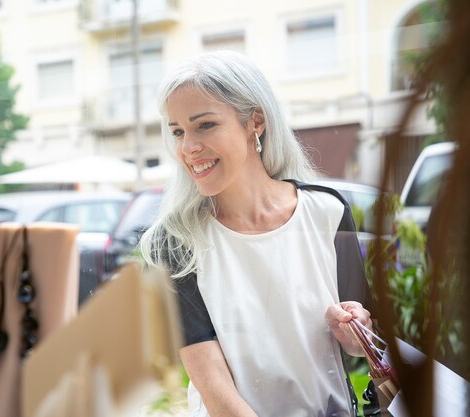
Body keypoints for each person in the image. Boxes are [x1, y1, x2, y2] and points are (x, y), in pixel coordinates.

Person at [140, 51, 374, 416]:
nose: (188, 148)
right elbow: (216, 393)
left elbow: (364, 341)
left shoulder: (327, 212)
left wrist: (356, 330)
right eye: (177, 132)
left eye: (204, 125)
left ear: (256, 122)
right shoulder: (174, 243)